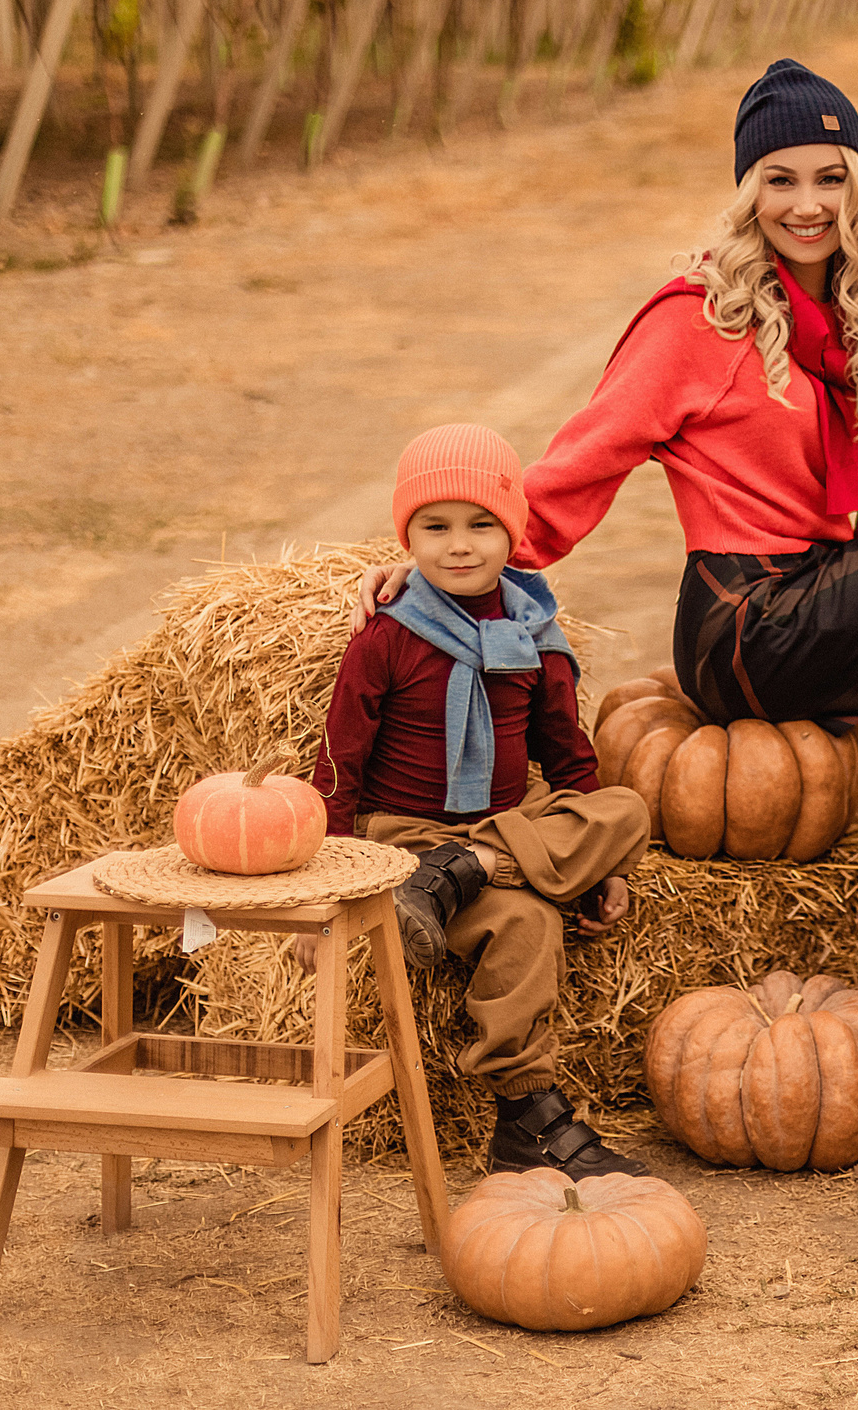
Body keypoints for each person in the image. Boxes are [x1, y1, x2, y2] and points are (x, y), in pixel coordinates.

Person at [356, 59, 858, 724]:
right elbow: (584, 460)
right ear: (750, 192)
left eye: (830, 178)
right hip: (749, 625)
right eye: (781, 180)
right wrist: (453, 558)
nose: (807, 205)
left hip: (833, 593)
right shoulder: (697, 317)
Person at [312, 423, 656, 1179]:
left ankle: (468, 870)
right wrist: (328, 881)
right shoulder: (388, 633)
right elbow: (341, 755)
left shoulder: (534, 633)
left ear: (514, 530)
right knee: (533, 915)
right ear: (408, 537)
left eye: (481, 524)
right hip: (403, 840)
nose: (458, 544)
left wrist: (604, 866)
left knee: (626, 812)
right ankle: (525, 1111)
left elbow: (568, 757)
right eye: (434, 526)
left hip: (501, 828)